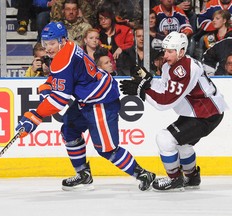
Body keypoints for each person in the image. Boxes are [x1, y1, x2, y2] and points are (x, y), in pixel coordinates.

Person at [15, 21, 156, 191]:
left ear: (62, 41)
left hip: (100, 101)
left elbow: (60, 99)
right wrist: (49, 84)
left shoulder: (62, 59)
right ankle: (83, 174)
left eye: (52, 43)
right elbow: (64, 77)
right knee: (69, 129)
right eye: (45, 44)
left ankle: (142, 173)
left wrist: (35, 117)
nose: (48, 48)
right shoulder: (68, 48)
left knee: (107, 149)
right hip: (88, 98)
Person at [120, 31, 227, 191]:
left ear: (182, 51)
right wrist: (147, 80)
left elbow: (164, 102)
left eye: (171, 51)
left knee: (165, 139)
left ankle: (175, 179)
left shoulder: (184, 69)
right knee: (182, 143)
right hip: (202, 113)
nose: (166, 55)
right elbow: (165, 88)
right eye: (165, 50)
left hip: (206, 115)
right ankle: (191, 177)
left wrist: (141, 89)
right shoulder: (171, 65)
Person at [96, 5, 134, 76]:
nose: (103, 21)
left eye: (106, 18)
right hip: (103, 69)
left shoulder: (124, 30)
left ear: (111, 18)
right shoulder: (96, 33)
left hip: (123, 68)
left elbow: (132, 43)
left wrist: (121, 48)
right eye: (101, 19)